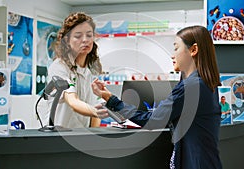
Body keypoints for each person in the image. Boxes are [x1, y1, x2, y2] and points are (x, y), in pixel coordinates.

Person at [91, 25, 222, 169]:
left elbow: (153, 121)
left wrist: (111, 99)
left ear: (193, 50)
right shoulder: (204, 83)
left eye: (176, 48)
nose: (173, 55)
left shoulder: (191, 87)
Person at [45, 12, 104, 128]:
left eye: (89, 35)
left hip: (82, 138)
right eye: (78, 36)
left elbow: (96, 109)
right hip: (60, 137)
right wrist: (99, 112)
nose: (85, 40)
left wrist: (94, 136)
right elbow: (73, 101)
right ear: (67, 40)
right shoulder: (59, 67)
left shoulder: (90, 71)